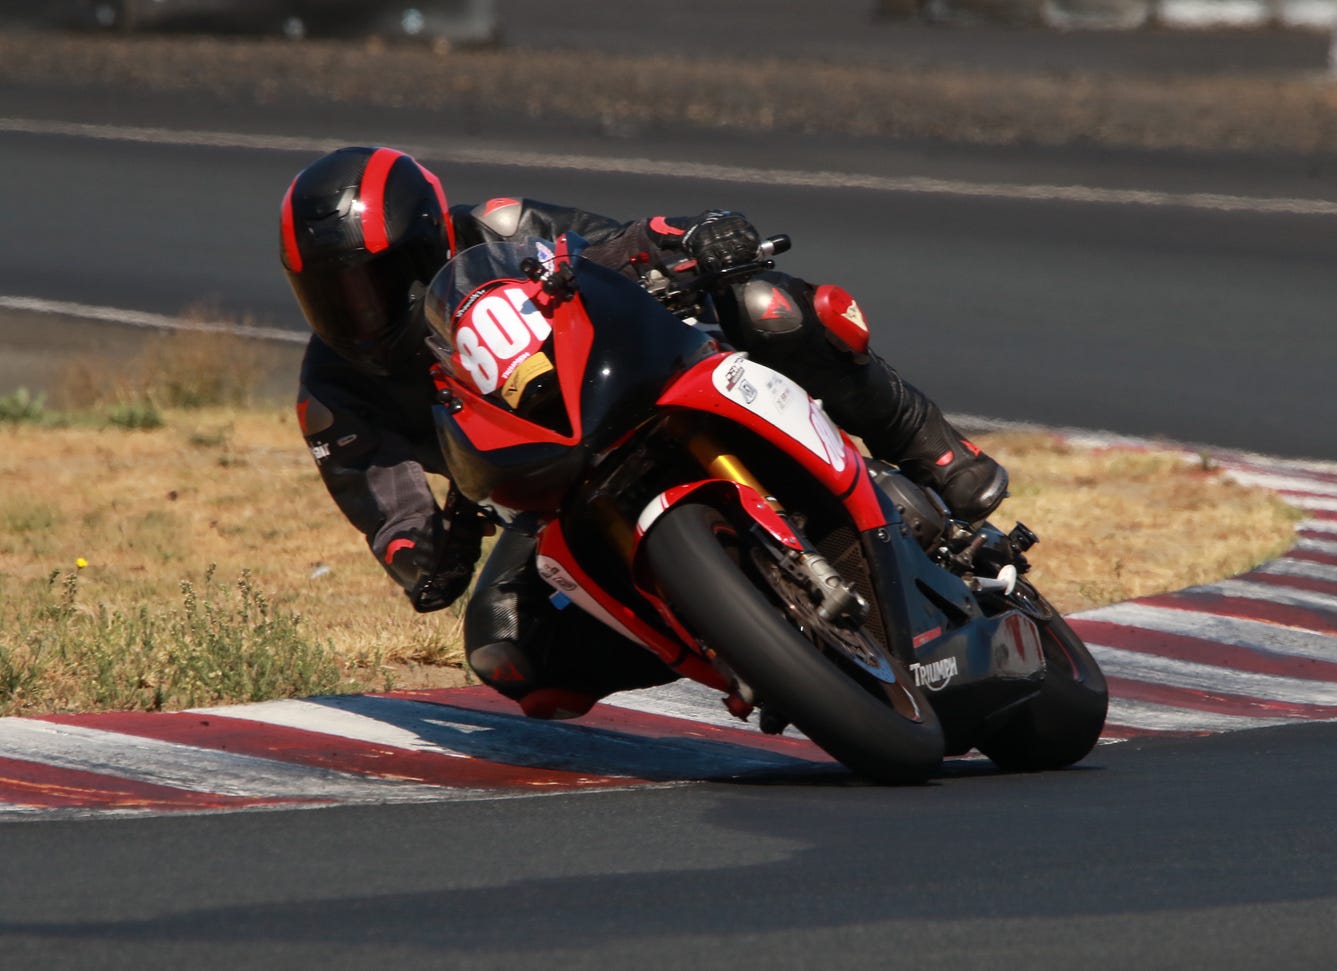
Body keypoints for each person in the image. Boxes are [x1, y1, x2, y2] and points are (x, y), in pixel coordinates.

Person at [281, 145, 1008, 720]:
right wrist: (429, 551)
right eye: (328, 294)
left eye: (373, 284)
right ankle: (730, 641)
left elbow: (614, 245)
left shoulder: (500, 230)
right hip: (548, 486)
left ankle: (934, 447)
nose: (356, 313)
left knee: (767, 304)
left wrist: (689, 236)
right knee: (506, 645)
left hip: (641, 379)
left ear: (426, 244)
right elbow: (397, 520)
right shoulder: (332, 394)